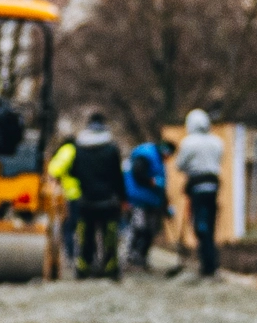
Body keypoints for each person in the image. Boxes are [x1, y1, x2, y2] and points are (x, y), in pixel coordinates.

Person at [52, 108, 126, 280]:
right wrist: (123, 198)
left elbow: (73, 172)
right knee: (109, 236)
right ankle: (110, 268)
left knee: (85, 236)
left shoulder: (79, 148)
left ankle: (84, 267)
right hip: (108, 200)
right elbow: (117, 176)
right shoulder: (111, 148)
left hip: (85, 200)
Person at [174, 108, 227, 279]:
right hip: (213, 186)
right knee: (210, 226)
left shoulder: (188, 142)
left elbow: (180, 164)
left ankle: (207, 264)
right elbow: (219, 160)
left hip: (197, 187)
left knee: (201, 226)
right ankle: (210, 262)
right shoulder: (217, 142)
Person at [122, 126, 171, 272]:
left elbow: (161, 186)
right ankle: (132, 257)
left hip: (151, 201)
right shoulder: (146, 154)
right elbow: (139, 174)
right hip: (139, 199)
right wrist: (152, 182)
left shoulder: (158, 159)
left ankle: (141, 257)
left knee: (150, 230)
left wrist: (165, 204)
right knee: (139, 228)